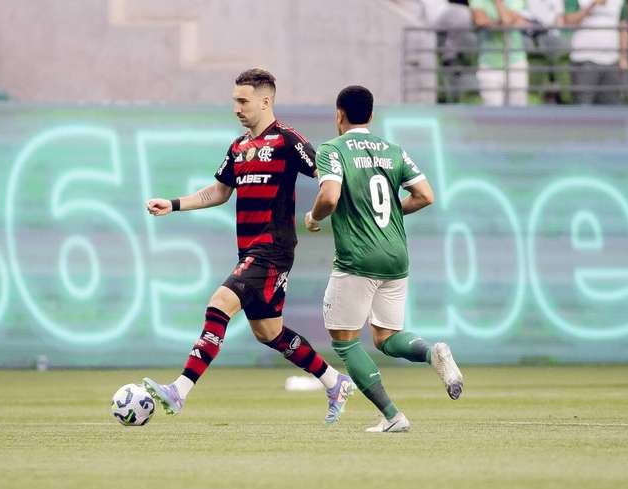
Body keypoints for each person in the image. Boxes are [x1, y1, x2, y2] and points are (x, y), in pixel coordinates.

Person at [143, 68, 354, 424]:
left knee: (220, 302)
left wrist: (324, 212)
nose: (237, 108)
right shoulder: (239, 147)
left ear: (265, 100)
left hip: (273, 248)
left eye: (243, 101)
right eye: (235, 101)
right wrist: (174, 203)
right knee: (268, 332)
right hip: (250, 251)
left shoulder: (288, 141)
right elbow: (219, 192)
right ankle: (334, 382)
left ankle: (179, 390)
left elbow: (327, 177)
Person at [304, 85, 464, 433]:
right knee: (385, 338)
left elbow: (329, 197)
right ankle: (430, 353)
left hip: (358, 259)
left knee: (345, 343)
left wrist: (314, 217)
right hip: (395, 256)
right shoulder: (392, 151)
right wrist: (392, 213)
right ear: (371, 116)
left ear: (339, 115)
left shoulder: (332, 149)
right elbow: (425, 196)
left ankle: (393, 416)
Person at [565, 0, 628, 104]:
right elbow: (568, 21)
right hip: (584, 60)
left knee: (611, 107)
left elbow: (624, 29)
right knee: (582, 106)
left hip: (612, 61)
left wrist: (623, 57)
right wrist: (592, 6)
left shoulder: (620, 2)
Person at [470, 0, 531, 106]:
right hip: (489, 64)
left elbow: (507, 21)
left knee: (518, 113)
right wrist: (503, 23)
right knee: (492, 112)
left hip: (515, 62)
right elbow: (480, 20)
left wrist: (497, 3)